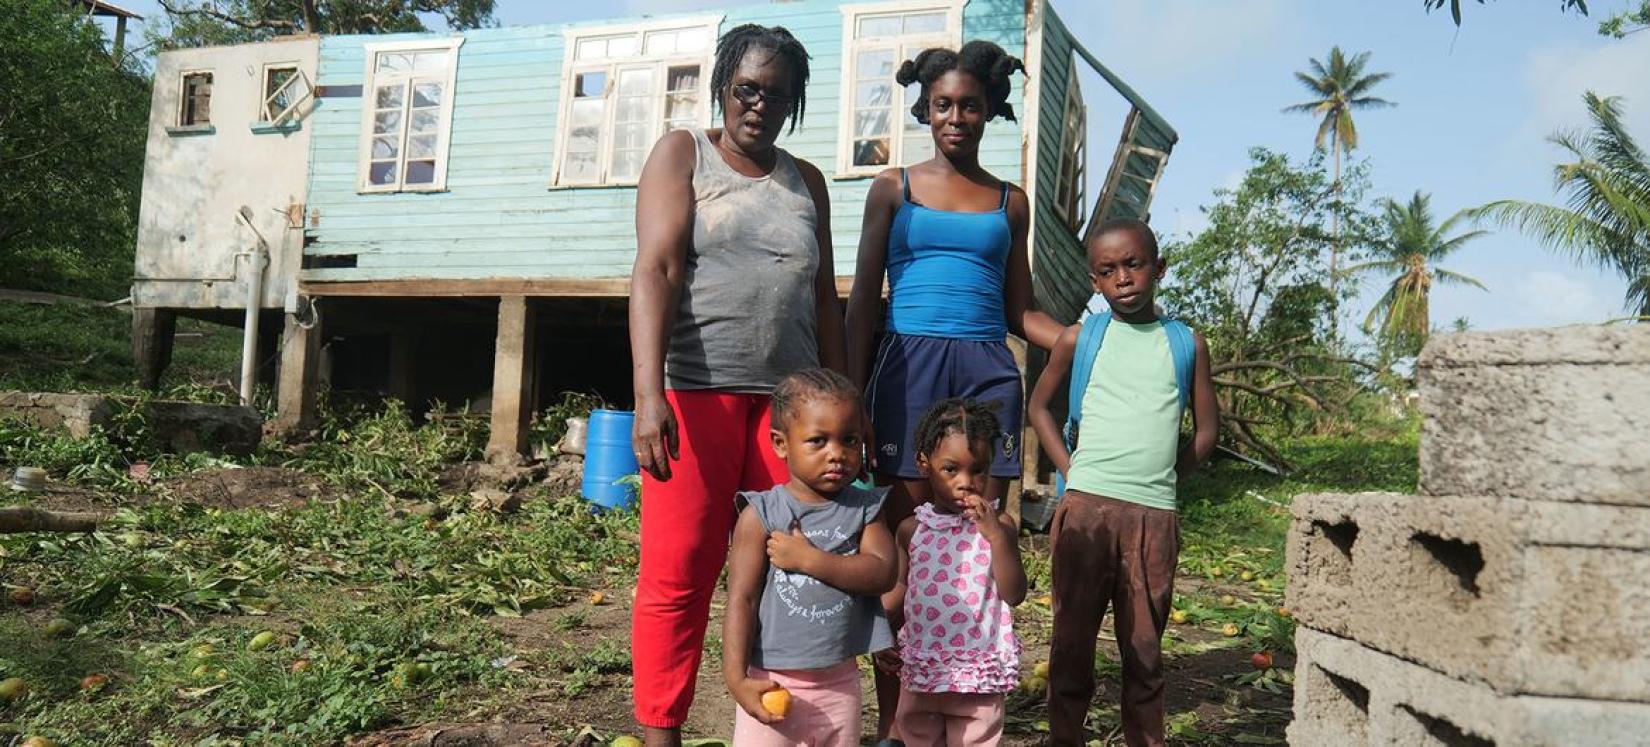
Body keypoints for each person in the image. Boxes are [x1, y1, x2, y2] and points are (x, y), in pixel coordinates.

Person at [627, 24, 846, 746]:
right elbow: (656, 270)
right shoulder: (684, 153)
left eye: (775, 94)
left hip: (790, 409)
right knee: (679, 574)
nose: (758, 105)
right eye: (747, 88)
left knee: (790, 568)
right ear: (723, 83)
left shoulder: (806, 180)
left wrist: (841, 410)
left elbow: (822, 302)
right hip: (697, 394)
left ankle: (775, 727)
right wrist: (648, 394)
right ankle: (663, 731)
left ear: (792, 103)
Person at [843, 39, 1063, 743]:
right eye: (943, 105)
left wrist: (1076, 339)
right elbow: (862, 304)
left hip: (983, 380)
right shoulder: (893, 189)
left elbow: (1018, 313)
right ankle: (895, 724)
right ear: (925, 109)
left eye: (970, 105)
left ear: (991, 109)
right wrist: (851, 395)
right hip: (906, 371)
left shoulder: (1010, 202)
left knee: (970, 543)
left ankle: (966, 704)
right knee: (904, 551)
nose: (956, 117)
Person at [1026, 219, 1220, 747]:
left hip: (1152, 519)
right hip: (1085, 514)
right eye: (1108, 271)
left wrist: (1164, 481)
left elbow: (1206, 432)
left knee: (1143, 648)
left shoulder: (1186, 344)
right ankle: (1065, 737)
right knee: (1071, 642)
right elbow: (1039, 407)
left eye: (1133, 265)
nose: (1123, 279)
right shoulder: (1080, 338)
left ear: (1159, 268)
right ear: (1094, 281)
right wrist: (1072, 472)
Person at [722, 368, 898, 746]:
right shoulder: (761, 514)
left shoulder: (865, 509)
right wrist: (737, 679)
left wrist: (809, 560)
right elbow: (742, 599)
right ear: (781, 444)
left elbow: (882, 572)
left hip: (841, 684)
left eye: (849, 440)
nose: (837, 454)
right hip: (772, 679)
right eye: (818, 441)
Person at [881, 398, 1026, 746]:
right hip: (924, 666)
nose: (966, 482)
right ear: (924, 464)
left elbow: (1015, 593)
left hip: (978, 675)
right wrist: (882, 634)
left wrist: (996, 538)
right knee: (917, 736)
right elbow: (901, 588)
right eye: (951, 469)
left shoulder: (999, 526)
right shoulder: (912, 529)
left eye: (978, 469)